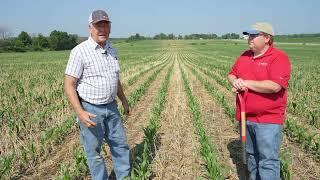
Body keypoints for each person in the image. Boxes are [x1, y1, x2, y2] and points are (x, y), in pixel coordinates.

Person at [64, 10, 130, 180]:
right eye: (98, 25)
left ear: (110, 28)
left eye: (105, 25)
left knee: (120, 146)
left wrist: (123, 100)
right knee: (94, 152)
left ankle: (124, 177)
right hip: (91, 110)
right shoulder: (79, 51)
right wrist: (80, 112)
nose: (102, 29)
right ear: (90, 28)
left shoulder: (112, 50)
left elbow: (115, 79)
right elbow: (69, 85)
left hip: (112, 107)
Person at [227, 22, 291, 180]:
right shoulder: (244, 56)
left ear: (267, 38)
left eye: (255, 35)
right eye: (249, 35)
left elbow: (275, 86)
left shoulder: (278, 58)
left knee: (267, 160)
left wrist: (245, 83)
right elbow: (231, 74)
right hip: (245, 117)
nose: (250, 39)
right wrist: (235, 82)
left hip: (268, 119)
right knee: (252, 158)